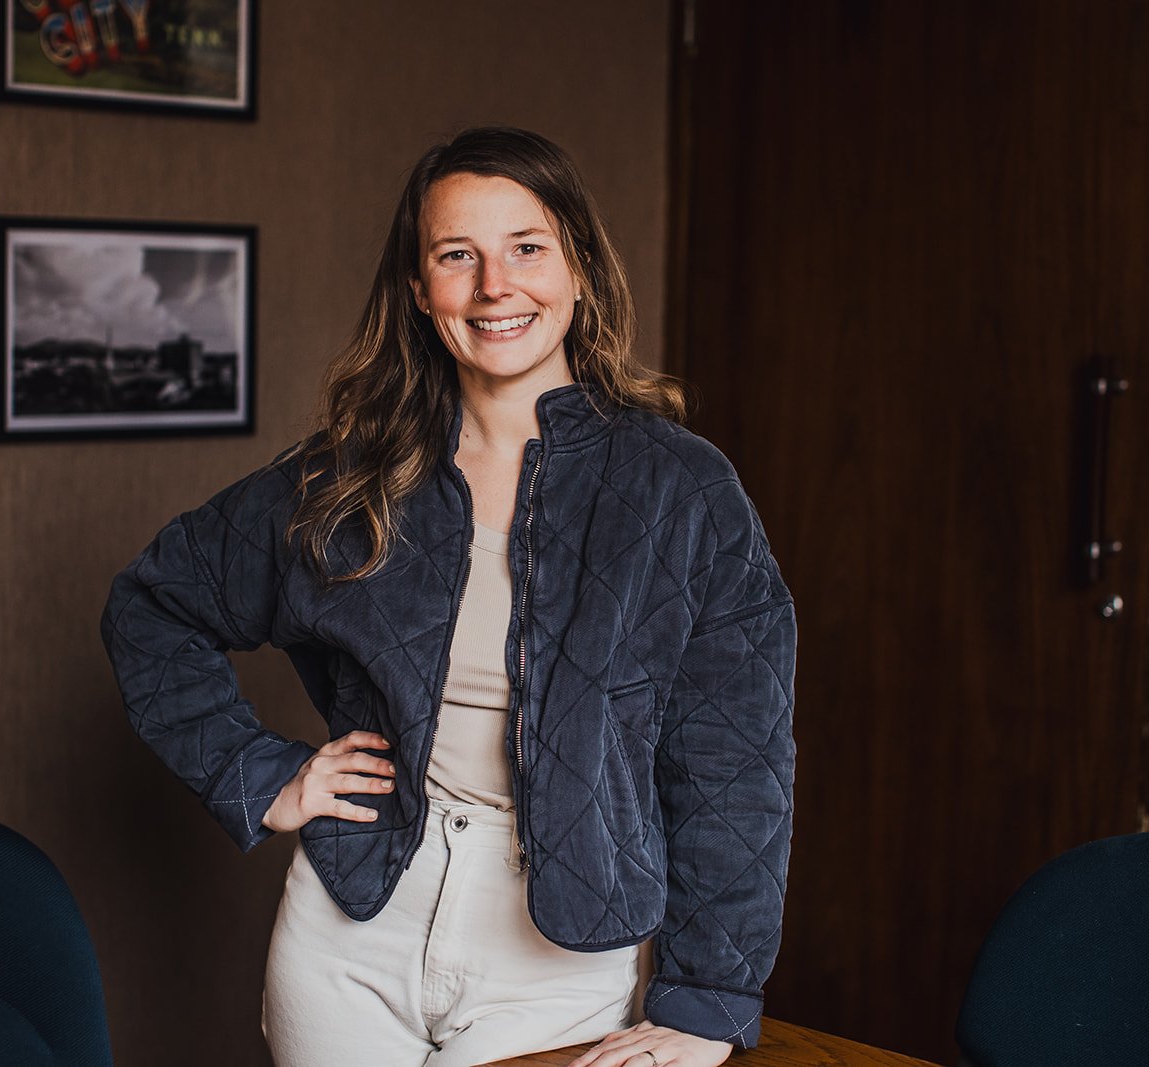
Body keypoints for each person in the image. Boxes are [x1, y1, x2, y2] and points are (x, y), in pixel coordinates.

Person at [101, 126, 797, 1067]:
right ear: (421, 292)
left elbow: (735, 758)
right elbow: (154, 606)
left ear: (580, 269)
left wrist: (712, 994)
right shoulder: (348, 477)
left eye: (527, 248)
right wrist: (263, 777)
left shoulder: (682, 490)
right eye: (456, 255)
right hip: (349, 931)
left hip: (564, 949)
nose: (494, 285)